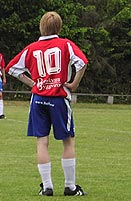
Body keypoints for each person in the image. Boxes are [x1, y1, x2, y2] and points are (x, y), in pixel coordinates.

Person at [5, 11, 88, 196]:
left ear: (41, 26)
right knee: (68, 141)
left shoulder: (32, 48)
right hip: (58, 98)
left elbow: (11, 68)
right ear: (59, 27)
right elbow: (82, 62)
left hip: (38, 99)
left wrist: (33, 83)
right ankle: (70, 187)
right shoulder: (65, 44)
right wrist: (73, 83)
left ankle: (47, 186)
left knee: (42, 142)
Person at [0, 52, 6, 119]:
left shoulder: (0, 56)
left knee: (0, 95)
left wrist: (4, 77)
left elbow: (2, 67)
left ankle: (1, 113)